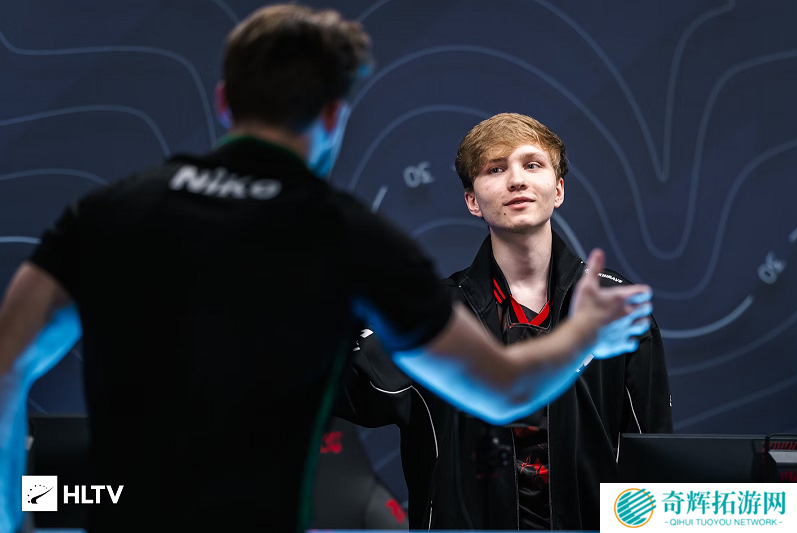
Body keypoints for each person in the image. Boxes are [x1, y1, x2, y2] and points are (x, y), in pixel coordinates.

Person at [0, 7, 652, 533]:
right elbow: (502, 390)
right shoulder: (351, 237)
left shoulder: (110, 213)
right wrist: (583, 334)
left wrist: (9, 519)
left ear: (225, 100)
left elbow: (5, 367)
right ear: (336, 114)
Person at [336, 113, 672, 530]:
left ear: (558, 189)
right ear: (472, 201)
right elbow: (332, 383)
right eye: (495, 169)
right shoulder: (432, 315)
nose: (516, 180)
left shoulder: (613, 307)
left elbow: (654, 458)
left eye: (532, 164)